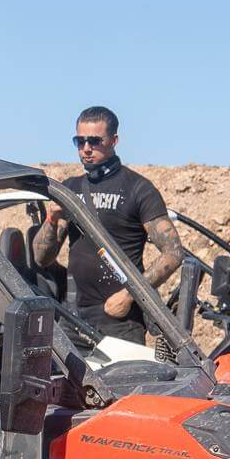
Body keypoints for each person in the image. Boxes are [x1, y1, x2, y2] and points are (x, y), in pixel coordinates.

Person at [29, 106, 181, 343]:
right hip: (73, 318)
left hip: (119, 321)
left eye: (95, 141)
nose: (86, 148)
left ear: (114, 140)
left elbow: (172, 253)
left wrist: (129, 296)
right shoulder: (70, 188)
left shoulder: (138, 188)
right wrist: (52, 218)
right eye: (80, 141)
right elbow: (41, 258)